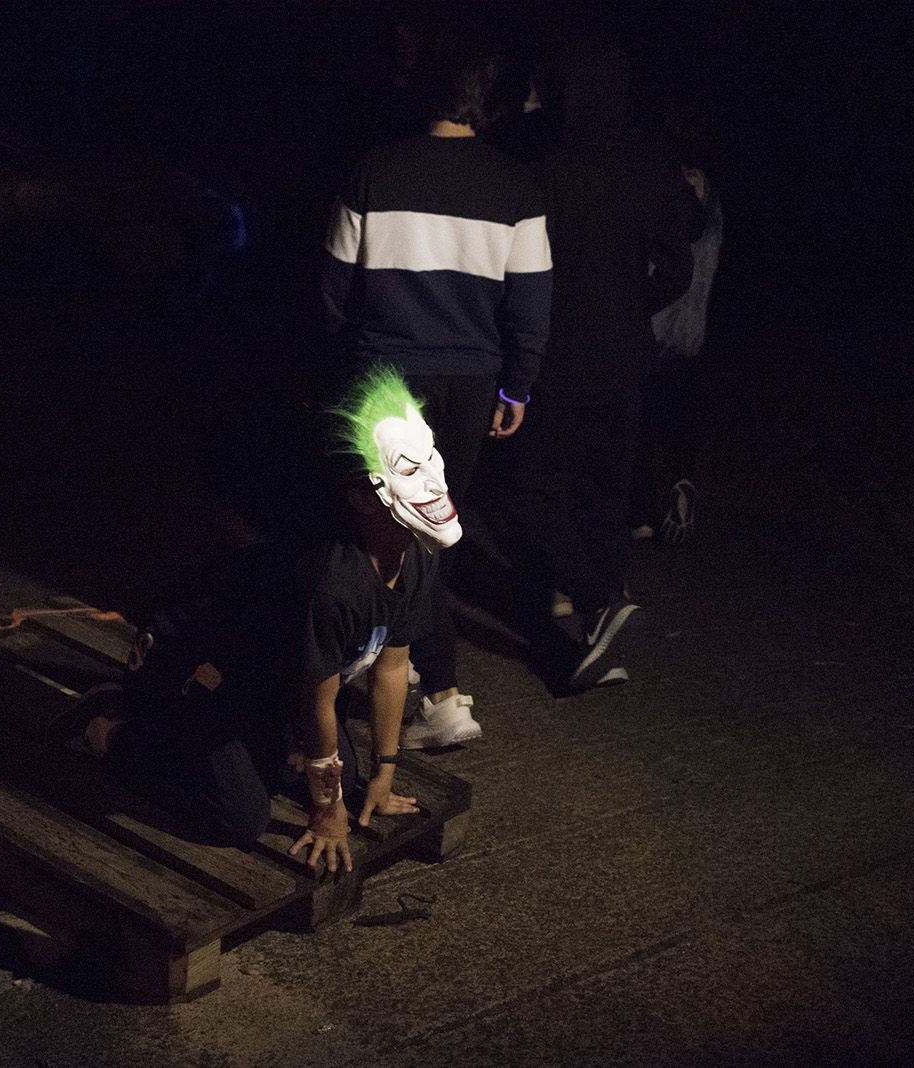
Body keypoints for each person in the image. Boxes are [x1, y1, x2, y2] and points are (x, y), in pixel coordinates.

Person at [62, 368, 456, 872]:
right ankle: (110, 728)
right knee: (239, 819)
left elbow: (392, 667)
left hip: (269, 683)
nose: (430, 480)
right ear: (361, 497)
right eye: (408, 467)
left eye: (429, 457)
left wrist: (385, 770)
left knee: (333, 776)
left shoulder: (417, 554)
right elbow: (318, 705)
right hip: (190, 673)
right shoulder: (331, 586)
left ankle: (248, 748)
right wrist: (326, 813)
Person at [321, 23, 552, 747]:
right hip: (471, 383)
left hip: (385, 378)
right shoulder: (517, 186)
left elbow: (332, 292)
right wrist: (517, 388)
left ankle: (422, 688)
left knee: (379, 534)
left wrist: (346, 372)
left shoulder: (374, 170)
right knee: (430, 536)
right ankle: (429, 686)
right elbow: (532, 302)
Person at [503, 36, 702, 692]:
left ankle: (594, 595)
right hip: (624, 351)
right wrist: (636, 303)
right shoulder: (648, 157)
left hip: (558, 349)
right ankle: (598, 630)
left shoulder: (548, 162)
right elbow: (681, 260)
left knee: (533, 488)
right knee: (605, 489)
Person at [633, 163, 723, 544]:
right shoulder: (714, 210)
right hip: (693, 332)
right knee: (680, 417)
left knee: (642, 420)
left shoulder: (665, 198)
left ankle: (641, 513)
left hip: (655, 326)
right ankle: (681, 478)